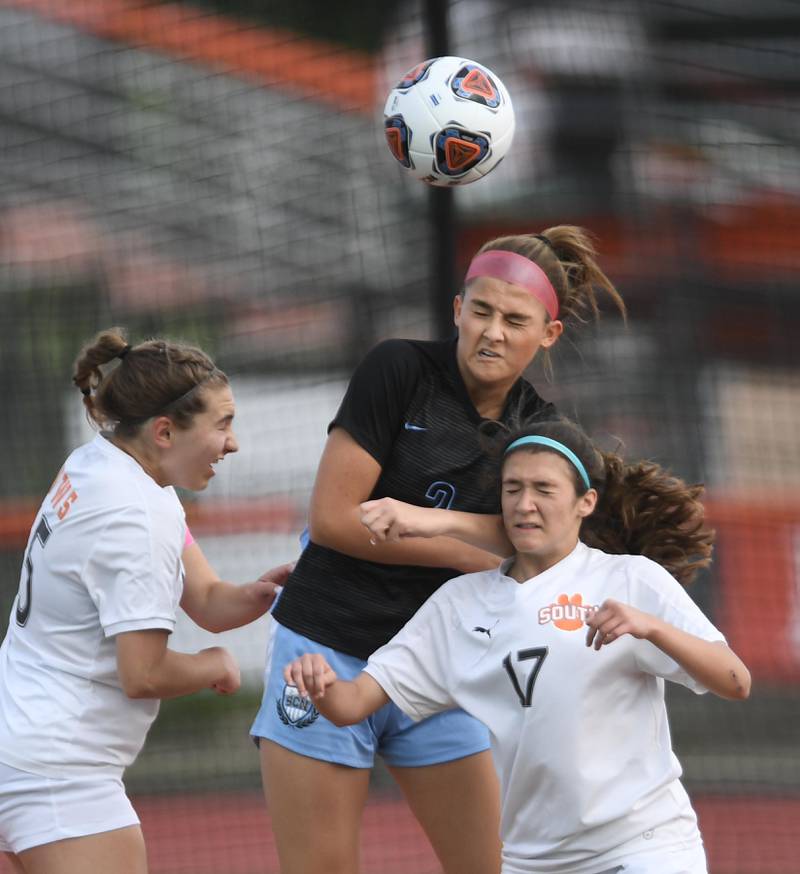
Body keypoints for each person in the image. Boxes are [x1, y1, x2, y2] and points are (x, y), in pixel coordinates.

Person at [252, 227, 627, 874]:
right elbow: (337, 519)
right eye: (480, 310)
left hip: (436, 668)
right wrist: (468, 549)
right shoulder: (398, 369)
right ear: (457, 309)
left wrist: (428, 525)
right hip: (324, 648)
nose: (493, 332)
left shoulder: (541, 431)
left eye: (516, 320)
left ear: (548, 334)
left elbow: (551, 545)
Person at [286, 416, 751, 874]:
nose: (525, 504)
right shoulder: (458, 606)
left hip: (645, 847)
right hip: (535, 862)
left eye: (544, 490)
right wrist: (320, 683)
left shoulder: (630, 578)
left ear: (584, 502)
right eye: (513, 489)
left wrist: (652, 628)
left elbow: (735, 681)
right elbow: (352, 704)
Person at [0, 329, 290, 874]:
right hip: (61, 773)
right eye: (222, 424)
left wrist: (260, 594)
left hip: (21, 743)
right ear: (164, 431)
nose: (234, 443)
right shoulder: (135, 514)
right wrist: (213, 665)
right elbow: (144, 673)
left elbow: (204, 599)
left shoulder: (106, 465)